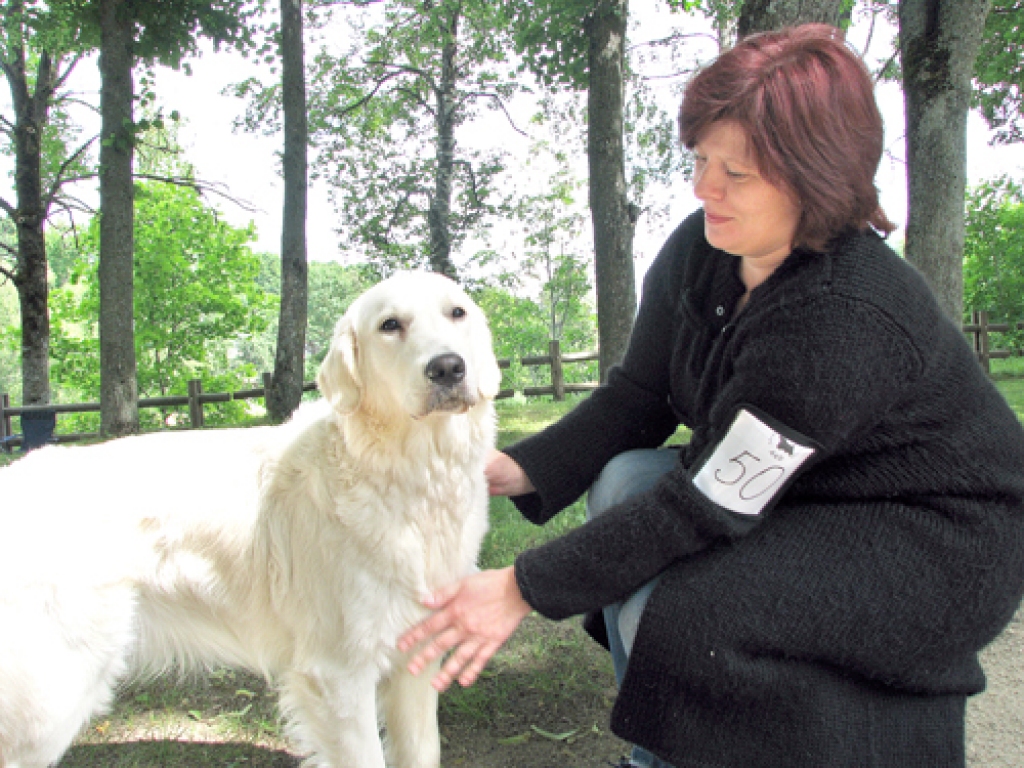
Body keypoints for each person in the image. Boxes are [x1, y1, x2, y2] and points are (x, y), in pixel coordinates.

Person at [398, 23, 1024, 768]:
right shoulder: (708, 246)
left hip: (935, 535)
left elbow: (706, 501)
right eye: (701, 160)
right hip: (809, 490)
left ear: (817, 174)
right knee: (626, 480)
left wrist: (520, 588)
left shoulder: (845, 315)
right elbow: (641, 392)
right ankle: (674, 749)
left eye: (739, 172)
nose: (704, 189)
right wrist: (519, 468)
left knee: (692, 614)